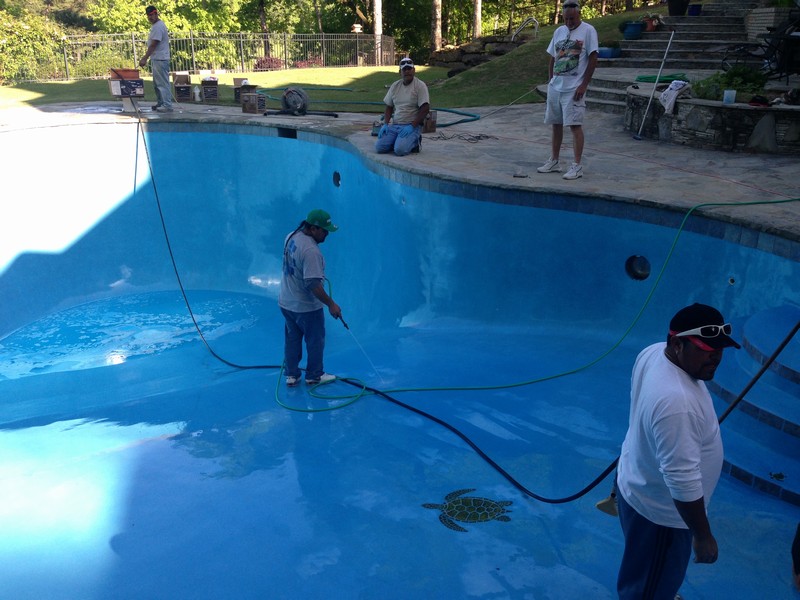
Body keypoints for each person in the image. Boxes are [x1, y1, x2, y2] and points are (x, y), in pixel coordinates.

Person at [616, 303, 741, 600]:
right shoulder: (677, 402)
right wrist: (703, 535)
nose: (716, 356)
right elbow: (682, 480)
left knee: (647, 574)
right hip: (662, 519)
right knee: (647, 588)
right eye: (706, 348)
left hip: (636, 485)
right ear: (677, 343)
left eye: (720, 348)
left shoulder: (653, 352)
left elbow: (639, 418)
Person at [279, 209, 343, 387]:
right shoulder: (311, 251)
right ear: (314, 229)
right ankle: (314, 375)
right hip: (306, 307)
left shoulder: (291, 236)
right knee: (315, 341)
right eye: (324, 230)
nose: (327, 234)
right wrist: (331, 304)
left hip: (286, 302)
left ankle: (291, 375)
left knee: (292, 339)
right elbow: (312, 284)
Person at [537, 0, 598, 180]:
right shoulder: (559, 31)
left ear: (579, 14)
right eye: (566, 19)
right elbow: (552, 57)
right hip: (556, 86)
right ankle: (554, 161)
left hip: (574, 88)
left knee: (574, 125)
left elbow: (593, 58)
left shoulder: (588, 31)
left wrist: (584, 84)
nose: (569, 22)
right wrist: (550, 81)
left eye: (572, 18)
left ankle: (577, 166)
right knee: (556, 124)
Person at [375, 57, 430, 156]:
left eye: (409, 69)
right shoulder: (395, 86)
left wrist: (412, 126)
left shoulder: (420, 86)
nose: (407, 71)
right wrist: (386, 124)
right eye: (404, 69)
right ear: (400, 72)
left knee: (400, 150)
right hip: (395, 125)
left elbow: (425, 108)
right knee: (380, 148)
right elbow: (389, 106)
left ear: (414, 70)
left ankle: (415, 142)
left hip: (411, 126)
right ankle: (397, 141)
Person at [138, 6, 173, 112]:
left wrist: (144, 58)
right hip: (157, 58)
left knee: (162, 83)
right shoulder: (156, 26)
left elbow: (154, 45)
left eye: (152, 15)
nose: (150, 17)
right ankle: (161, 103)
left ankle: (167, 105)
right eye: (149, 15)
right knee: (157, 83)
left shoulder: (158, 27)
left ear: (156, 14)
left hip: (161, 59)